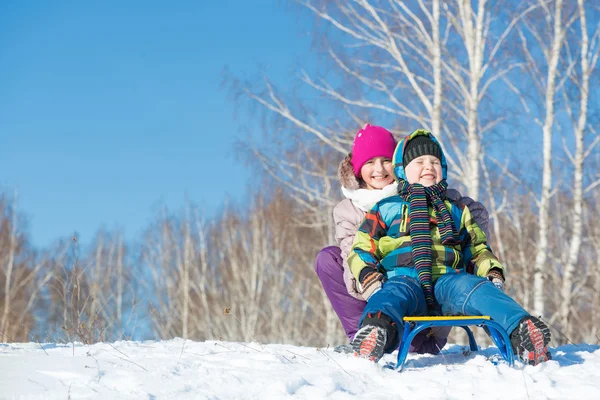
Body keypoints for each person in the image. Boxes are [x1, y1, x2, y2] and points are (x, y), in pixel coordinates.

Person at [348, 128, 551, 366]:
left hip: (449, 280)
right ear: (402, 171)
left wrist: (490, 271)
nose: (428, 166)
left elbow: (476, 248)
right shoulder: (386, 208)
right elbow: (362, 248)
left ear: (443, 169)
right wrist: (369, 276)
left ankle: (522, 331)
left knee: (476, 289)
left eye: (434, 161)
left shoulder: (455, 209)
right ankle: (376, 331)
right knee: (390, 296)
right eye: (420, 161)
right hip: (404, 278)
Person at [314, 124, 491, 355]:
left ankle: (398, 328)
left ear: (398, 164)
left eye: (385, 160)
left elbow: (471, 211)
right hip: (383, 298)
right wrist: (376, 286)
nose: (379, 169)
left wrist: (449, 215)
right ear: (357, 170)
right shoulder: (349, 210)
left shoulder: (415, 192)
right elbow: (352, 259)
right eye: (369, 162)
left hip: (423, 318)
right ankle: (367, 335)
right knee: (330, 258)